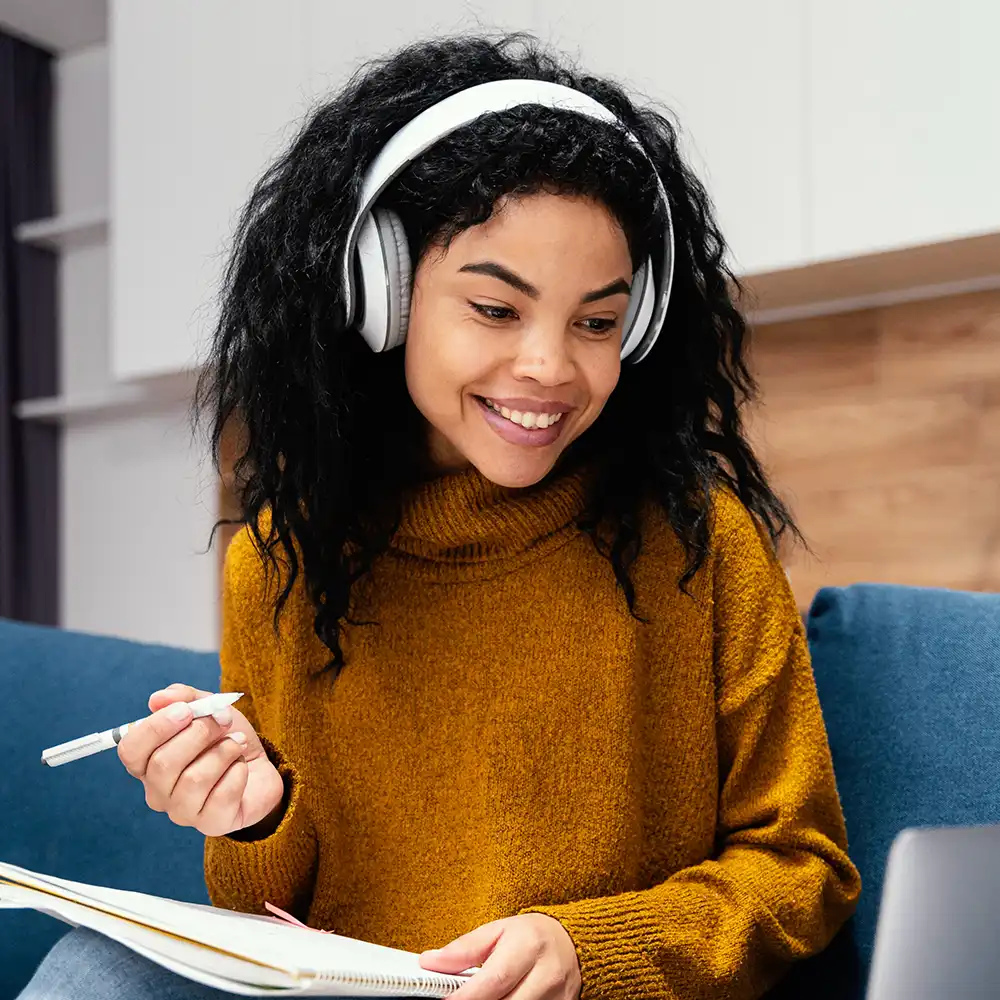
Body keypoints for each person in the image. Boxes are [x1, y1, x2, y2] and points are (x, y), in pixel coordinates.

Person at [19, 31, 860, 1000]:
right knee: (93, 970)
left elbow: (800, 867)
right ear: (381, 298)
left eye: (595, 321)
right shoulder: (281, 564)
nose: (551, 364)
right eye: (496, 310)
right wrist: (251, 816)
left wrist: (588, 950)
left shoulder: (695, 539)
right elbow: (266, 917)